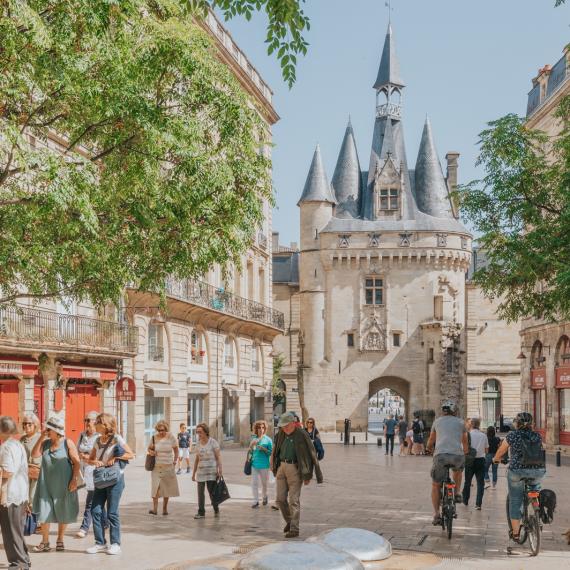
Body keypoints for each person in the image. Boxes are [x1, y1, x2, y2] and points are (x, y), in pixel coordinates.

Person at [493, 412, 546, 544]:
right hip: (537, 471)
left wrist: (495, 459)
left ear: (517, 423)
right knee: (535, 489)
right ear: (532, 424)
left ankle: (516, 534)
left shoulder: (512, 435)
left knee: (515, 501)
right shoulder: (538, 436)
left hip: (517, 471)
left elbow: (501, 450)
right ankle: (536, 505)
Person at [86, 412, 134, 555]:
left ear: (105, 424)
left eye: (97, 423)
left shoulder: (117, 439)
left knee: (112, 512)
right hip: (101, 479)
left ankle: (115, 543)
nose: (94, 425)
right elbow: (90, 459)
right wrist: (96, 462)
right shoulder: (97, 440)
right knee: (95, 510)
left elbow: (131, 454)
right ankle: (100, 543)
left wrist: (117, 457)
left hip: (115, 480)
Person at [31, 415, 80, 553]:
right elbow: (34, 454)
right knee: (44, 512)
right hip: (45, 484)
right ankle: (45, 542)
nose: (46, 430)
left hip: (64, 483)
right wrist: (41, 437)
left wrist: (74, 480)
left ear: (55, 430)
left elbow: (77, 462)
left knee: (63, 510)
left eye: (48, 429)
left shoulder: (67, 443)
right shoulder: (45, 443)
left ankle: (60, 539)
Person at [271, 412, 323, 538]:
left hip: (295, 469)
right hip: (281, 468)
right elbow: (275, 450)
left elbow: (310, 454)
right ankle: (289, 521)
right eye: (282, 426)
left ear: (293, 423)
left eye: (286, 426)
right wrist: (273, 465)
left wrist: (308, 475)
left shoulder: (302, 434)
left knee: (293, 500)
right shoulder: (280, 434)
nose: (284, 428)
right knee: (280, 499)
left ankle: (294, 529)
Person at [426, 401, 468, 526]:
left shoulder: (437, 422)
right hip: (457, 455)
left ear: (443, 411)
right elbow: (465, 441)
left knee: (435, 485)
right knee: (458, 471)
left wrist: (428, 448)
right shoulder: (461, 422)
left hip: (441, 456)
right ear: (454, 411)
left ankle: (436, 514)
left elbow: (431, 439)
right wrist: (465, 452)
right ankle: (457, 493)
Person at [0, 416, 31, 570]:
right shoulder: (17, 444)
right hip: (21, 492)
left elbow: (7, 471)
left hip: (10, 495)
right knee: (16, 529)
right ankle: (24, 559)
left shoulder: (5, 447)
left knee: (10, 531)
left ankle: (18, 562)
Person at [76, 411, 105, 538]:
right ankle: (106, 522)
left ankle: (84, 527)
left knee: (90, 501)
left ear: (95, 422)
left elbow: (102, 456)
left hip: (96, 471)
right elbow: (77, 450)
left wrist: (88, 457)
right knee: (96, 498)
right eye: (85, 420)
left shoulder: (100, 437)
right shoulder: (82, 435)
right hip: (84, 472)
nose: (87, 423)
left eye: (89, 420)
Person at [147, 420, 179, 516]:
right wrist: (152, 452)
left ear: (166, 429)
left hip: (168, 466)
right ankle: (155, 509)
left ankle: (165, 509)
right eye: (159, 430)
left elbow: (176, 450)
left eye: (163, 430)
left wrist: (175, 461)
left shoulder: (171, 437)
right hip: (156, 467)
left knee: (166, 489)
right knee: (155, 488)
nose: (161, 432)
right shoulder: (154, 438)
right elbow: (149, 449)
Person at [192, 423, 222, 519]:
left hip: (211, 472)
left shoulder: (213, 442)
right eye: (197, 432)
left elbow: (218, 457)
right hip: (201, 472)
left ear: (205, 432)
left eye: (200, 432)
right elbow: (197, 459)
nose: (198, 434)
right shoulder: (197, 443)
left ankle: (216, 508)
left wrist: (220, 470)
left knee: (211, 493)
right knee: (200, 493)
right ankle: (201, 512)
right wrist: (193, 473)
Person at [461, 417, 488, 510]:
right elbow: (486, 449)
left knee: (467, 481)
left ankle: (465, 500)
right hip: (480, 460)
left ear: (471, 424)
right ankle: (478, 504)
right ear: (479, 425)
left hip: (469, 460)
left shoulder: (467, 435)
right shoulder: (483, 435)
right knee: (480, 483)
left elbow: (463, 448)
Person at [249, 420, 273, 508]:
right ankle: (255, 501)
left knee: (264, 484)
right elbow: (250, 451)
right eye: (259, 428)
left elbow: (271, 453)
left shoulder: (268, 440)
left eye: (262, 428)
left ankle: (265, 496)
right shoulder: (253, 438)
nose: (261, 429)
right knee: (254, 483)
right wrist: (251, 446)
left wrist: (264, 449)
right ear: (256, 429)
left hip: (264, 465)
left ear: (265, 429)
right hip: (254, 464)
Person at [20, 414, 41, 507]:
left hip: (36, 473)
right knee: (25, 498)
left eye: (29, 424)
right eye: (24, 424)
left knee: (33, 498)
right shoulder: (22, 439)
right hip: (24, 473)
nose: (26, 426)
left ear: (35, 425)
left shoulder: (40, 438)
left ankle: (34, 521)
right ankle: (29, 521)